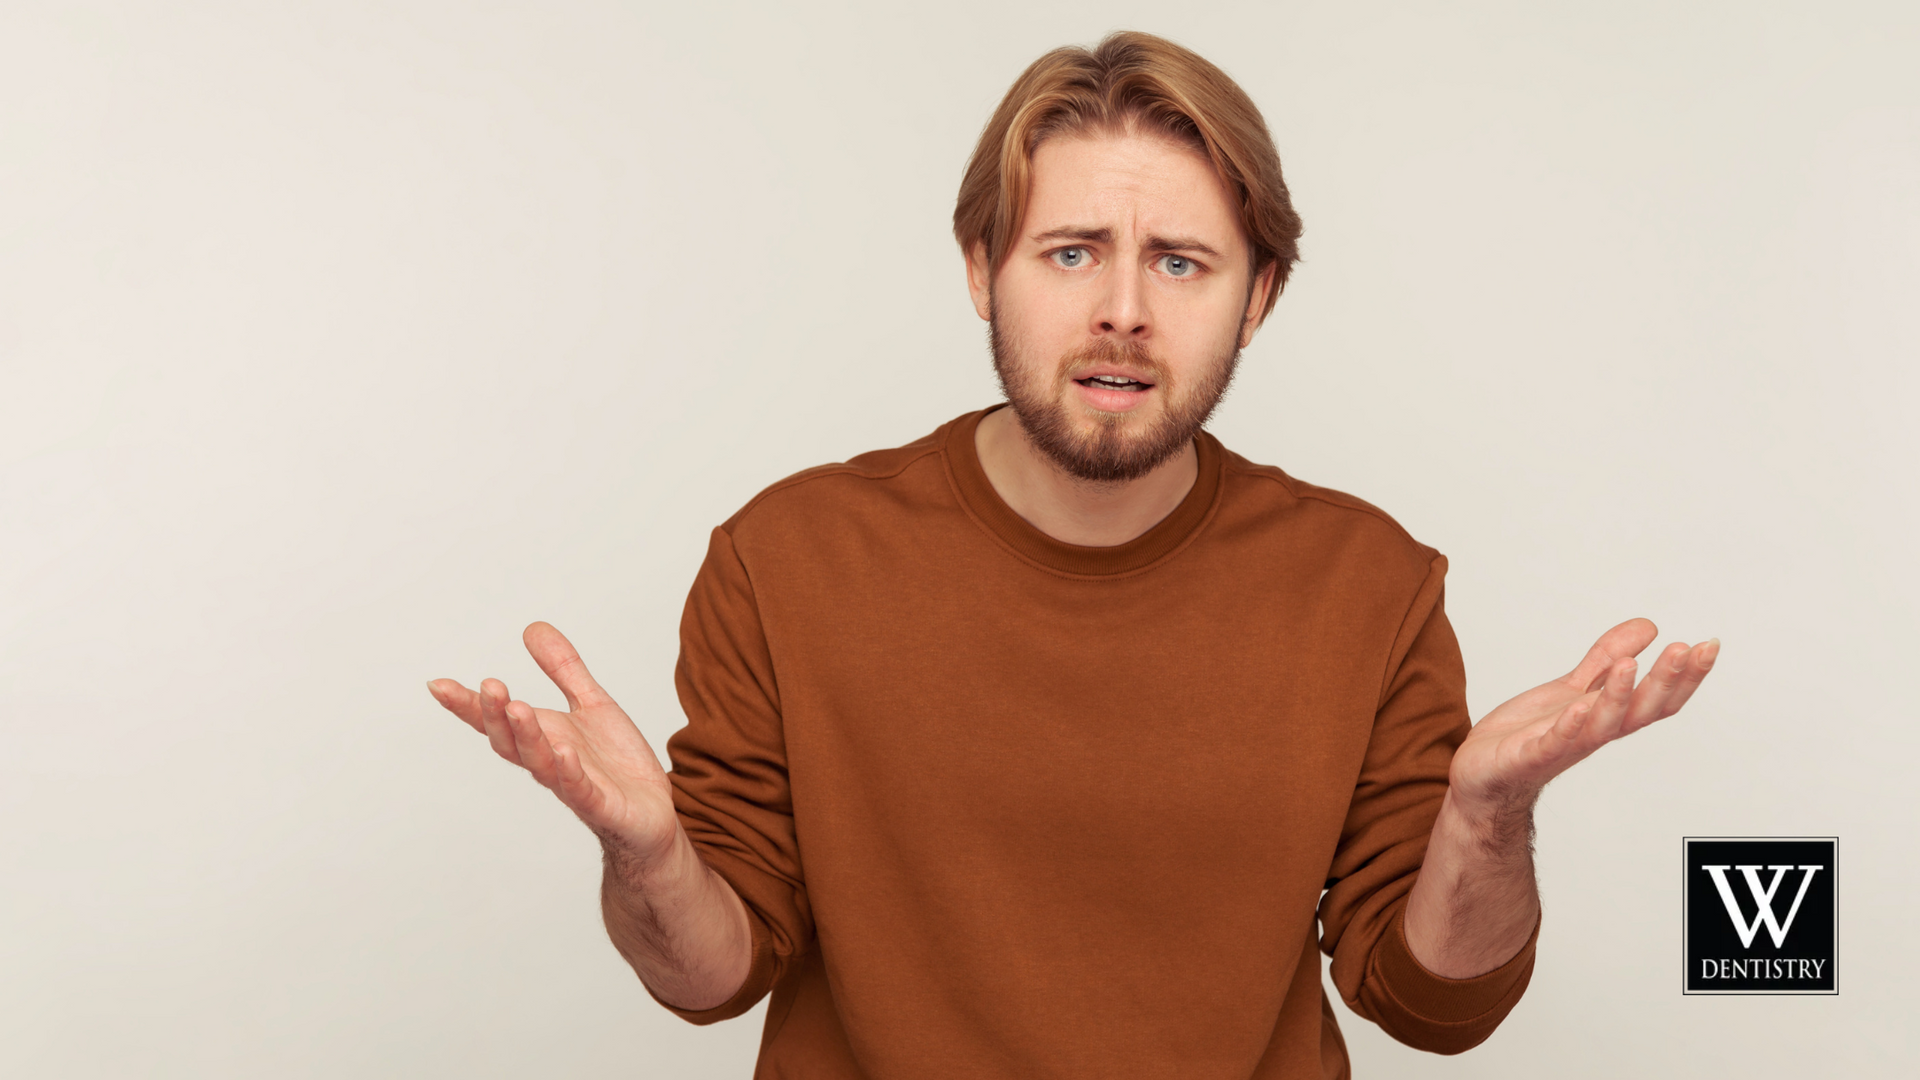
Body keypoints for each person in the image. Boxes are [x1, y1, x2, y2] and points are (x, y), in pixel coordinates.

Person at [427, 31, 1716, 1079]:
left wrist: (1489, 816)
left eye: (1181, 261)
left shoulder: (1370, 586)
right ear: (984, 269)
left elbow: (1434, 1008)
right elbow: (708, 979)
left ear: (1259, 296)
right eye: (1072, 251)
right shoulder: (787, 560)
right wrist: (650, 855)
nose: (1123, 309)